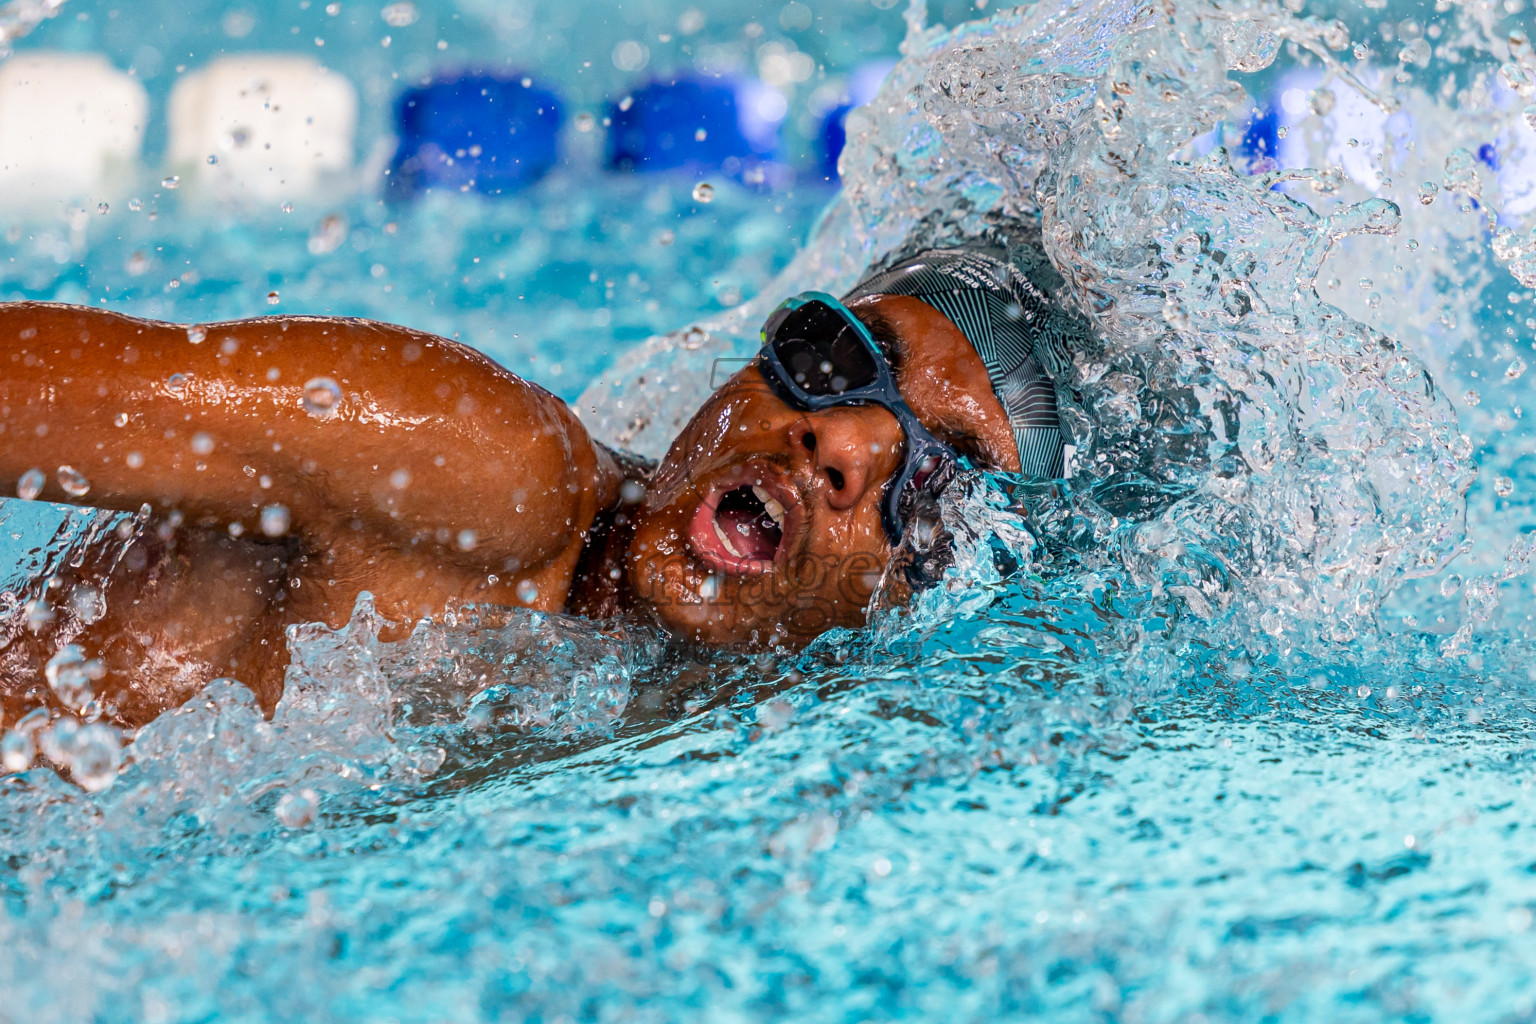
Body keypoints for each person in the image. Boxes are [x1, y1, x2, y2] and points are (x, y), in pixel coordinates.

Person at [0, 246, 1085, 727]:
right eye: (838, 357)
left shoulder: (755, 712)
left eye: (932, 474)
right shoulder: (481, 464)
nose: (839, 440)